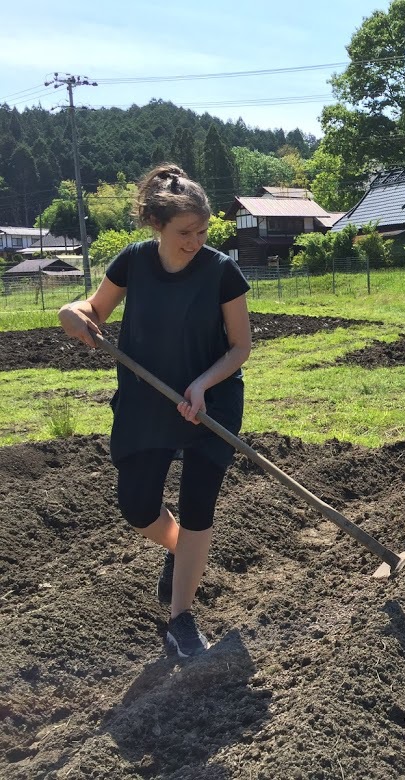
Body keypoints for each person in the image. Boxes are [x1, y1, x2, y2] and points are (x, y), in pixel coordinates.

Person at [58, 164, 251, 659]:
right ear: (156, 225)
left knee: (197, 506)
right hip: (147, 399)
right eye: (186, 232)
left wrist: (202, 384)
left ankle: (181, 619)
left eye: (203, 231)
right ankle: (181, 552)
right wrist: (73, 313)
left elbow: (239, 348)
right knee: (137, 504)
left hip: (210, 401)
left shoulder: (222, 272)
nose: (196, 241)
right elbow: (93, 310)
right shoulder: (134, 262)